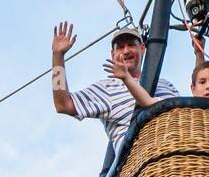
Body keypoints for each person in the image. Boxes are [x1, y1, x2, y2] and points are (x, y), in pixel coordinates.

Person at [51, 19, 179, 155]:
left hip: (180, 149)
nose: (126, 51)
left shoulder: (166, 84)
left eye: (131, 45)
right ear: (112, 55)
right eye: (120, 47)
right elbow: (63, 105)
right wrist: (58, 56)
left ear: (142, 49)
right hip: (143, 161)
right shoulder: (107, 89)